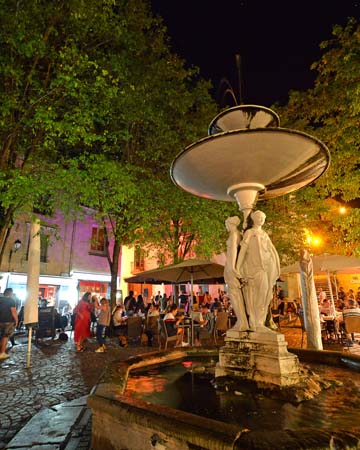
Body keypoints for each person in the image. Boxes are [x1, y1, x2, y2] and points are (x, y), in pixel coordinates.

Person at [235, 210, 280, 333]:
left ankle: (260, 322)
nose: (261, 219)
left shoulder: (264, 234)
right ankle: (255, 323)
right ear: (254, 219)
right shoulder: (249, 232)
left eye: (263, 218)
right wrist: (238, 267)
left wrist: (276, 264)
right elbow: (243, 250)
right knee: (253, 296)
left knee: (265, 295)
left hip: (264, 268)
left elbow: (271, 249)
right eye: (259, 217)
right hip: (253, 269)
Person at [224, 216, 249, 331]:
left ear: (231, 224)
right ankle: (242, 320)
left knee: (234, 294)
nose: (226, 227)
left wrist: (232, 267)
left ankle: (241, 321)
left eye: (227, 224)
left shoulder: (234, 235)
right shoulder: (238, 234)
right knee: (235, 294)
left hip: (230, 267)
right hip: (231, 266)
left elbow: (233, 250)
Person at [0, 288, 18, 359]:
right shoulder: (11, 300)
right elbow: (13, 311)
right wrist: (16, 320)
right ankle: (2, 353)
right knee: (5, 336)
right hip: (8, 321)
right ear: (10, 293)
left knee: (1, 335)